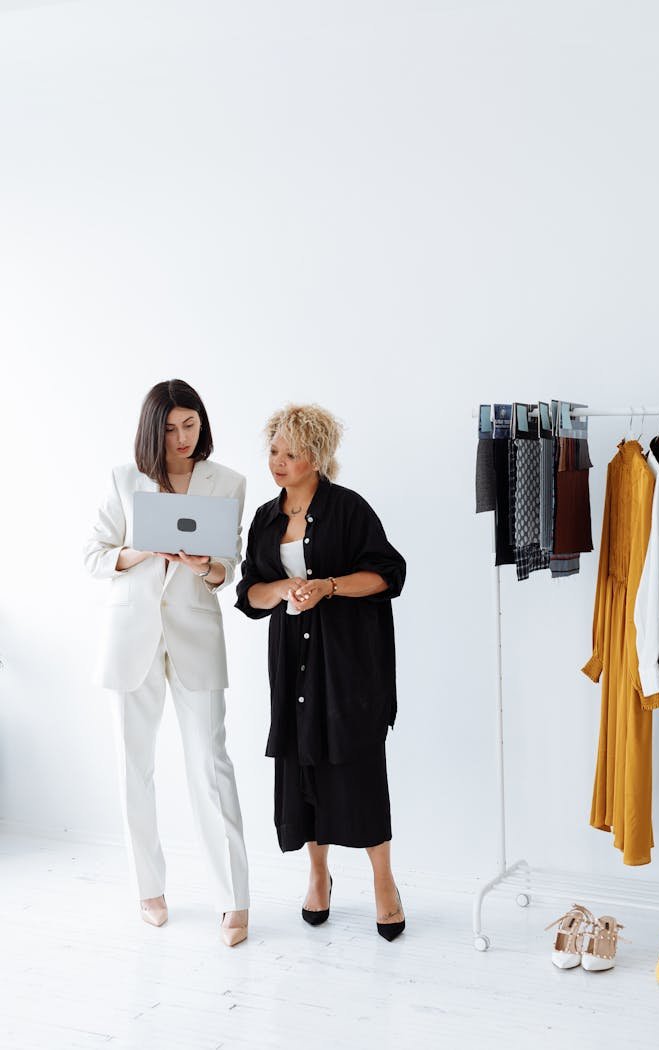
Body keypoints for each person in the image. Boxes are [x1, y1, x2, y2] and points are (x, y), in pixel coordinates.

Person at [84, 379, 249, 947]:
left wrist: (205, 564)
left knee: (210, 764)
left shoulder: (227, 482)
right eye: (171, 427)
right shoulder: (124, 480)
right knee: (136, 767)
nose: (182, 438)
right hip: (131, 636)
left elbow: (229, 568)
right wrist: (141, 550)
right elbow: (95, 554)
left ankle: (234, 900)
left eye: (191, 425)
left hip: (196, 635)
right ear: (152, 429)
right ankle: (148, 889)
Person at [235, 404, 407, 939]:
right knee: (303, 767)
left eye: (292, 453)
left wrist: (327, 586)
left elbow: (388, 573)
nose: (279, 463)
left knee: (359, 767)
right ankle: (317, 876)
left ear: (318, 458)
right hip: (292, 661)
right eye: (274, 451)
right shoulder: (265, 518)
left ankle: (384, 883)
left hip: (349, 660)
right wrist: (286, 589)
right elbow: (249, 593)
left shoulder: (349, 510)